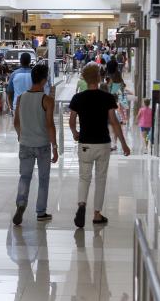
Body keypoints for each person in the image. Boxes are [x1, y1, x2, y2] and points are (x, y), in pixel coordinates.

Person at [68, 63, 131, 228]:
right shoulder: (107, 98)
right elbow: (114, 122)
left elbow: (72, 121)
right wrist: (124, 144)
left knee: (84, 177)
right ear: (99, 77)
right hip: (102, 143)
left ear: (84, 78)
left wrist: (75, 133)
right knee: (100, 179)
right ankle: (97, 214)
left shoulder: (78, 98)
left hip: (85, 143)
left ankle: (82, 205)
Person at [12, 64, 58, 225]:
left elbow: (16, 122)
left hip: (25, 143)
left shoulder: (21, 98)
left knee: (25, 177)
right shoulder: (47, 100)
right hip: (43, 145)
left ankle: (21, 203)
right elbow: (50, 125)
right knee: (43, 179)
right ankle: (41, 212)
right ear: (44, 79)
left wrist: (20, 136)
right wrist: (55, 146)